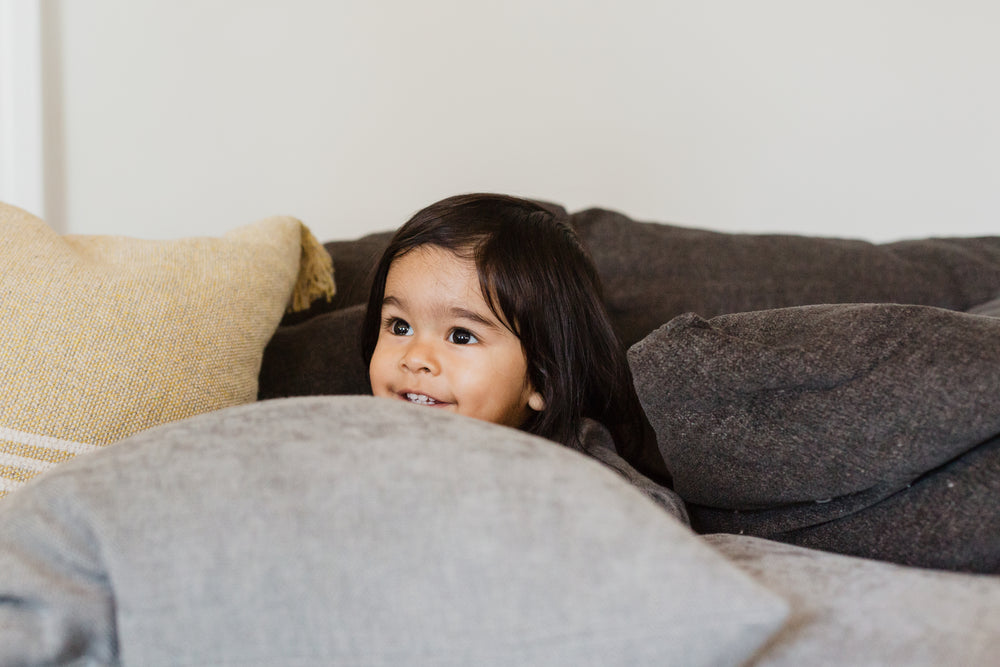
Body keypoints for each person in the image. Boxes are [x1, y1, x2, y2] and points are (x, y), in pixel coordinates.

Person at [361, 193, 672, 486]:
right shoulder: (355, 439)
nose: (415, 358)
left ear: (543, 378)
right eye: (400, 327)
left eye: (460, 336)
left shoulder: (579, 477)